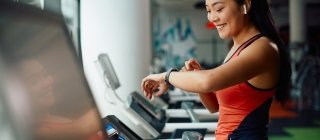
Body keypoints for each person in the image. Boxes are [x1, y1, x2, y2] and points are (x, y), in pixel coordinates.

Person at [141, 0, 291, 139]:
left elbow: (208, 81)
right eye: (208, 10)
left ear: (245, 4)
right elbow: (216, 106)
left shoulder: (262, 47)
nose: (212, 18)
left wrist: (165, 76)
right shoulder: (237, 48)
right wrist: (197, 75)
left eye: (219, 9)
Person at [13, 57, 105, 140]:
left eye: (45, 74)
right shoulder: (36, 133)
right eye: (34, 81)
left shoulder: (58, 118)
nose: (48, 83)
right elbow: (86, 127)